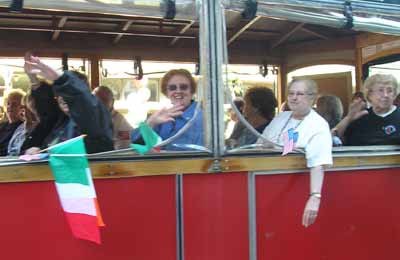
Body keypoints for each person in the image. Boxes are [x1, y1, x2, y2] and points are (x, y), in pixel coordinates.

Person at [257, 79, 332, 227]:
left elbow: (318, 162)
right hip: (266, 183)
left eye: (300, 94)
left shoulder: (318, 125)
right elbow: (261, 144)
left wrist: (315, 197)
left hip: (294, 186)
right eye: (291, 93)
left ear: (312, 98)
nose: (294, 97)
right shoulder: (281, 117)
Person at [23, 54, 114, 154]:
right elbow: (46, 106)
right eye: (59, 94)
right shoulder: (61, 120)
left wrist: (61, 79)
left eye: (68, 94)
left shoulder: (94, 120)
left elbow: (85, 106)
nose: (63, 99)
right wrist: (40, 153)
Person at [131, 69, 203, 150]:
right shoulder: (161, 118)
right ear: (166, 93)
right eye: (172, 88)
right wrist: (150, 123)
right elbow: (140, 149)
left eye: (184, 87)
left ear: (192, 91)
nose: (178, 91)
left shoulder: (202, 118)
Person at [333, 74, 400, 146]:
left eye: (390, 91)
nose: (385, 95)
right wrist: (348, 118)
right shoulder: (360, 116)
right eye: (380, 90)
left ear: (395, 94)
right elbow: (330, 139)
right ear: (369, 94)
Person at [93, 85, 133, 149]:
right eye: (95, 100)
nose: (100, 104)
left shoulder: (120, 122)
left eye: (104, 100)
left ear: (112, 102)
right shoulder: (87, 118)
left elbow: (123, 148)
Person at [0, 89, 25, 156]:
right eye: (8, 103)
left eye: (14, 104)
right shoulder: (2, 125)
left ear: (22, 107)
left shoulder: (23, 128)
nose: (10, 107)